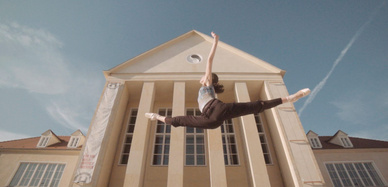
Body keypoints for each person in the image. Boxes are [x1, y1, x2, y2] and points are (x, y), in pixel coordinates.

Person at [145, 32, 310, 129]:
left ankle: (291, 98)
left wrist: (215, 42)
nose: (202, 77)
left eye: (204, 75)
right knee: (178, 120)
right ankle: (155, 116)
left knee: (255, 106)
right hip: (210, 118)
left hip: (215, 112)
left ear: (209, 78)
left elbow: (209, 61)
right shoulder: (206, 87)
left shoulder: (208, 84)